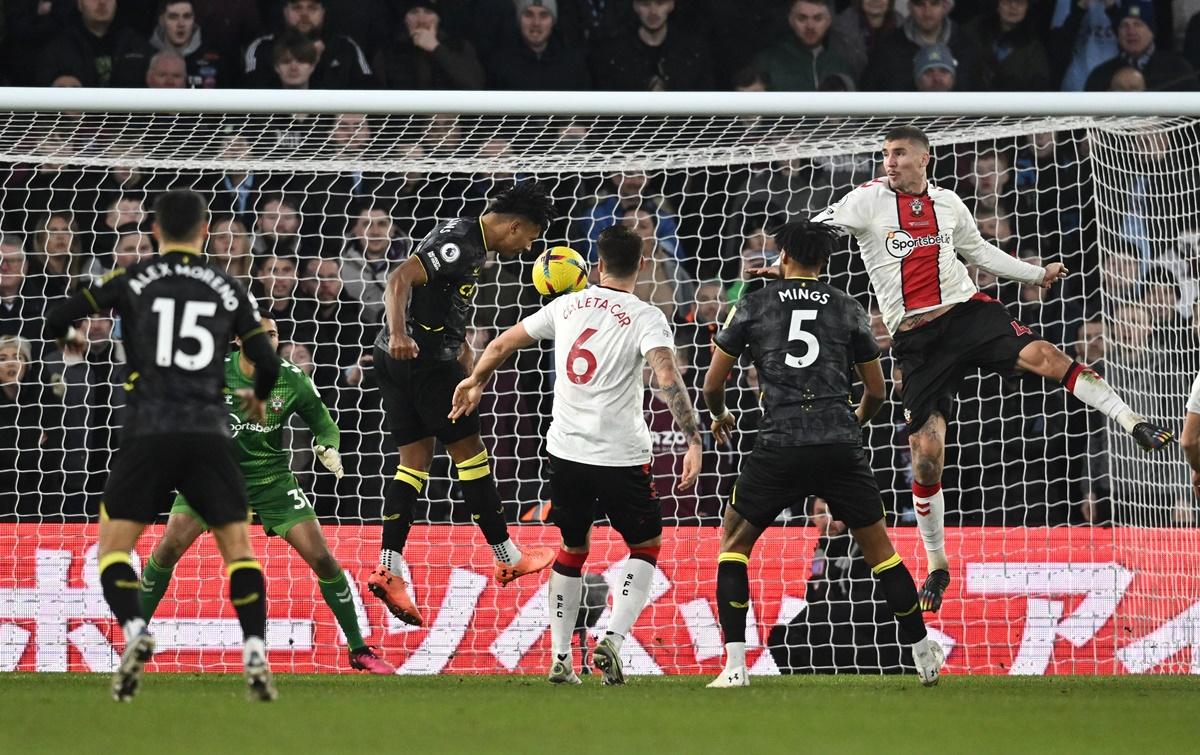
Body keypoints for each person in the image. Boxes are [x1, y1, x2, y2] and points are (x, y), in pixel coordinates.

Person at [772, 125, 1174, 613]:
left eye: (899, 153)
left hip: (966, 312)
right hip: (917, 340)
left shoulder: (949, 204)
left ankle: (1133, 422)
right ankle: (938, 565)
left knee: (1047, 356)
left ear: (925, 157)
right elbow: (813, 233)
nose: (890, 161)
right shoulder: (866, 200)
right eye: (885, 154)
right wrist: (785, 267)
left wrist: (1036, 273)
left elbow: (979, 252)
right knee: (925, 455)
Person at [43, 189, 282, 701]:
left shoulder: (130, 279)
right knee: (238, 552)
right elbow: (267, 359)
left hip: (148, 430)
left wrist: (72, 343)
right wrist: (259, 398)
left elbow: (57, 315)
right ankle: (256, 647)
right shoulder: (227, 285)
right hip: (208, 434)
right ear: (204, 232)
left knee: (114, 550)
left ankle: (134, 630)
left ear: (154, 232)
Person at [450, 224, 702, 685]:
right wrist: (693, 439)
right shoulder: (646, 316)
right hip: (621, 456)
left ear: (597, 264)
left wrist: (475, 380)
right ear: (642, 266)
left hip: (566, 454)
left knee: (572, 549)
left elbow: (501, 343)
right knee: (644, 545)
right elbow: (666, 375)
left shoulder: (565, 304)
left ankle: (561, 657)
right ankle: (613, 640)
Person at [702, 220, 942, 688]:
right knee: (882, 553)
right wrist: (854, 421)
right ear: (826, 261)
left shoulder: (751, 302)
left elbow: (713, 383)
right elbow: (875, 390)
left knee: (733, 546)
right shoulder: (848, 308)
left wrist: (719, 414)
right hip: (838, 441)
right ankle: (922, 656)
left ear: (782, 255)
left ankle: (734, 668)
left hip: (779, 441)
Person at [137, 318, 394, 674]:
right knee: (168, 547)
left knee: (322, 558)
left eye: (273, 335)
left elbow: (324, 423)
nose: (268, 341)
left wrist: (329, 447)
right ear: (239, 339)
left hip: (270, 479)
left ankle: (358, 648)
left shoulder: (290, 378)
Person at [365, 181, 558, 626]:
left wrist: (465, 357)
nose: (527, 247)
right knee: (471, 456)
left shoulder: (468, 238)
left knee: (413, 462)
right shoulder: (461, 244)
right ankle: (507, 555)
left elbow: (443, 303)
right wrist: (399, 332)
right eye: (529, 238)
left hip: (401, 361)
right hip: (422, 361)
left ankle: (389, 568)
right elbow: (398, 278)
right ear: (515, 226)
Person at [243, 0, 373, 90]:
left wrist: (319, 62)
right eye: (297, 7)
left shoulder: (345, 47)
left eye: (312, 8)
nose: (304, 14)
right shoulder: (262, 47)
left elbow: (369, 88)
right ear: (285, 12)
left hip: (331, 126)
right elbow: (249, 88)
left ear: (322, 12)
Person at [1084, 1, 1198, 91]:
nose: (1131, 31)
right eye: (1124, 25)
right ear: (1117, 34)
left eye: (1138, 24)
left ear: (1152, 32)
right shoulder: (1100, 75)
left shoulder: (1177, 70)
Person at [374, 0, 485, 90]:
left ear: (438, 18)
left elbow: (474, 84)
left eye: (428, 12)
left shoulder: (459, 46)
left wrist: (436, 48)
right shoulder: (388, 52)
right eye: (414, 12)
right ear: (405, 19)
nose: (421, 20)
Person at [754, 0, 856, 92]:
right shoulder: (767, 62)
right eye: (802, 18)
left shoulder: (842, 65)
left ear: (828, 21)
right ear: (791, 20)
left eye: (817, 18)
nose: (810, 26)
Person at [488, 0, 592, 90]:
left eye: (543, 15)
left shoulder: (573, 65)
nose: (536, 23)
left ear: (553, 21)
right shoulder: (501, 65)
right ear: (519, 19)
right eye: (529, 14)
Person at [148, 0, 229, 88]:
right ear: (162, 20)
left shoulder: (217, 58)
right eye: (173, 17)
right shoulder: (145, 56)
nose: (181, 24)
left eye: (187, 17)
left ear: (194, 19)